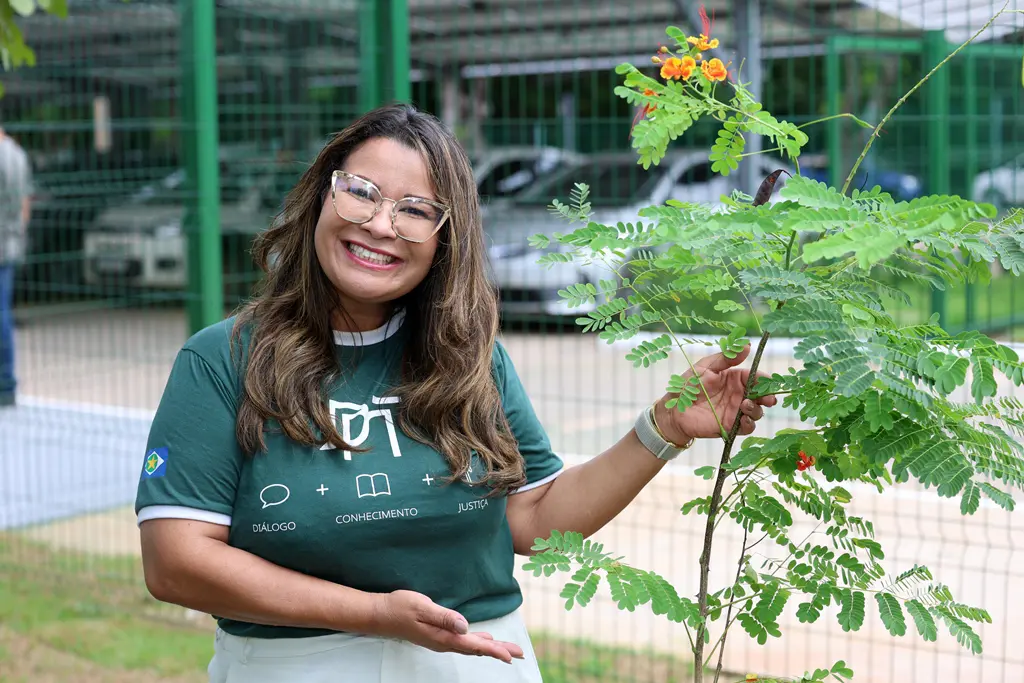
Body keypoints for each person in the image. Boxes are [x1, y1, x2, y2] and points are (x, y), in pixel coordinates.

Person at [135, 103, 777, 682]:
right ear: (320, 199)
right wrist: (375, 615)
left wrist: (661, 429)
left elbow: (533, 518)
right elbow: (174, 562)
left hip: (474, 664)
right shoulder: (223, 359)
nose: (381, 225)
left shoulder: (472, 361)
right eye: (361, 192)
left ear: (447, 238)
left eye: (415, 210)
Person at [0, 124, 32, 407]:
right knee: (3, 313)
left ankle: (5, 382)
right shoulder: (17, 153)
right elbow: (25, 202)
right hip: (9, 242)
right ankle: (7, 383)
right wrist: (17, 232)